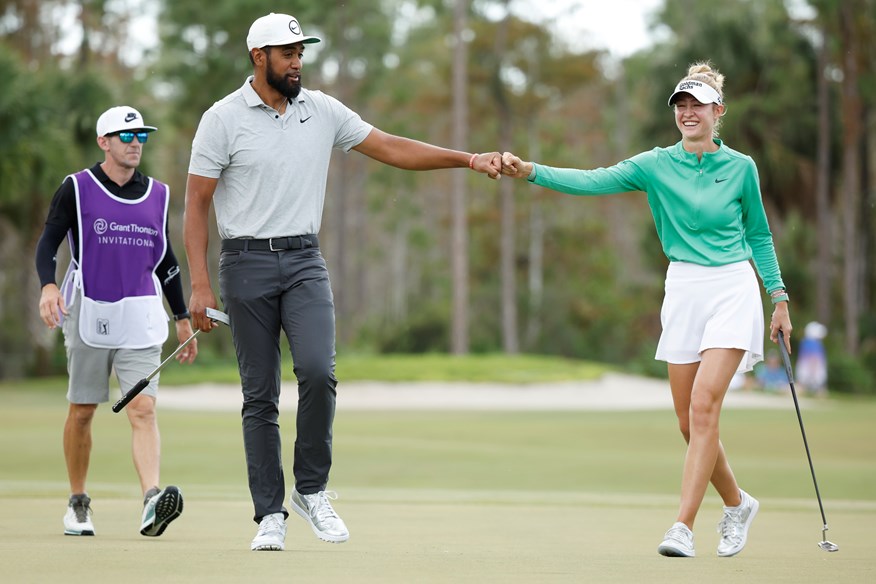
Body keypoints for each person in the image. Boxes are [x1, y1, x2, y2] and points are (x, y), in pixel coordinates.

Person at [184, 12, 502, 552]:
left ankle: (311, 490)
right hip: (244, 264)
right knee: (259, 395)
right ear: (258, 57)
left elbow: (393, 148)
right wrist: (198, 285)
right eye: (287, 53)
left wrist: (467, 159)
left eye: (300, 51)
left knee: (317, 371)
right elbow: (196, 203)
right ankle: (270, 514)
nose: (297, 61)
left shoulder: (322, 110)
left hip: (305, 259)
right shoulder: (222, 119)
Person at [500, 62, 792, 558]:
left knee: (704, 407)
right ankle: (738, 503)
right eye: (681, 105)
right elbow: (592, 181)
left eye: (697, 104)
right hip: (683, 287)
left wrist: (779, 297)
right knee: (686, 420)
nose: (687, 112)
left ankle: (682, 525)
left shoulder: (741, 167)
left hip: (731, 287)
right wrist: (531, 172)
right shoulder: (655, 164)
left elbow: (760, 235)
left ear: (717, 111)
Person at [35, 106, 196, 538]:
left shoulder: (159, 195)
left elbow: (165, 261)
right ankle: (78, 502)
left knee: (143, 408)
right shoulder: (76, 188)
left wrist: (181, 316)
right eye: (125, 136)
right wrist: (48, 286)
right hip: (89, 309)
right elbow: (48, 242)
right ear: (103, 142)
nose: (135, 143)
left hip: (141, 314)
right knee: (84, 410)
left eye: (140, 136)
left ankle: (150, 500)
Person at [796, 321, 828, 396]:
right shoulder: (815, 343)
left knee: (801, 385)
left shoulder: (804, 342)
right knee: (819, 388)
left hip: (804, 368)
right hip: (812, 369)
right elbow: (814, 358)